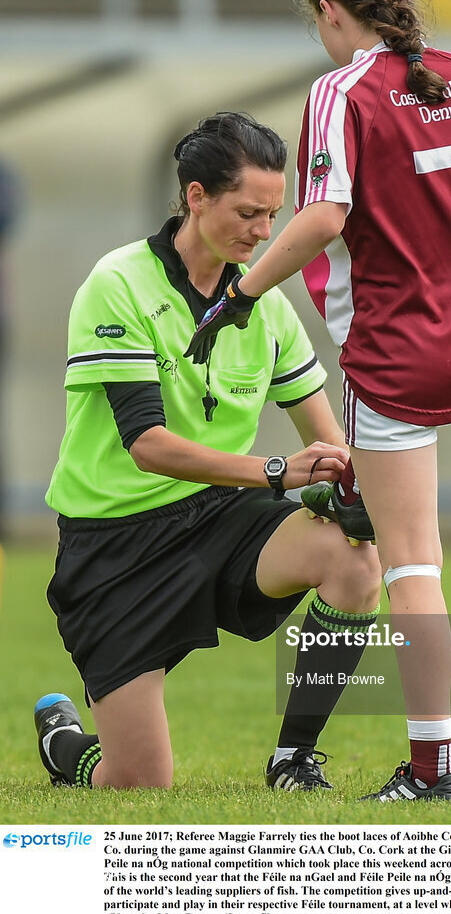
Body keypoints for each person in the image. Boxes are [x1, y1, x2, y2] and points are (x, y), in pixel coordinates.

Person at [185, 0, 451, 802]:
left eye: (319, 24)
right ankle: (358, 498)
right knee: (378, 517)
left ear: (331, 12)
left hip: (401, 355)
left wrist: (239, 295)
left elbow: (325, 216)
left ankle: (429, 772)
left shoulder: (340, 90)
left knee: (411, 566)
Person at [34, 111, 381, 792]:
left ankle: (293, 761)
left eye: (273, 214)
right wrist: (275, 472)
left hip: (217, 518)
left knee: (352, 558)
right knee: (136, 782)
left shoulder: (266, 303)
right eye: (248, 212)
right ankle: (67, 746)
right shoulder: (119, 284)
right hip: (113, 547)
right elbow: (147, 446)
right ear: (195, 196)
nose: (263, 232)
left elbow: (328, 440)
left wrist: (362, 489)